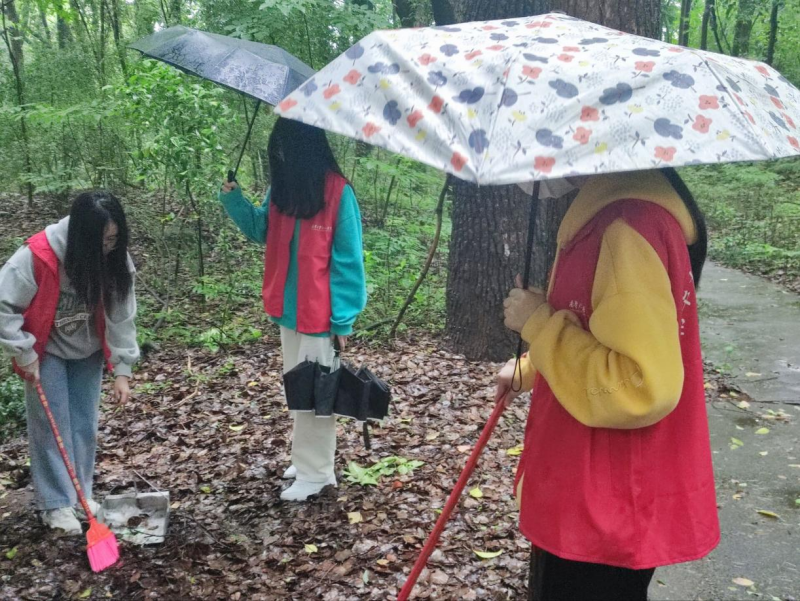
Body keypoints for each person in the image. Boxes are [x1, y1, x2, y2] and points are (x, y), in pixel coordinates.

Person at [497, 169, 719, 600]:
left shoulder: (627, 226)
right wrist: (530, 365)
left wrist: (538, 323)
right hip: (590, 489)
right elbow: (598, 327)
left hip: (607, 499)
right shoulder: (606, 216)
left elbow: (639, 385)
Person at [219, 117, 367, 502]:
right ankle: (307, 462)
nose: (279, 158)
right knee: (299, 390)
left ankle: (317, 473)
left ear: (305, 150)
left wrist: (343, 320)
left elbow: (349, 261)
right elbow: (261, 229)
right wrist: (234, 199)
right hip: (287, 309)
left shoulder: (338, 193)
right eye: (277, 152)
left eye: (285, 151)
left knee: (316, 396)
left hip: (320, 316)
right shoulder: (282, 188)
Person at [0, 191, 139, 535]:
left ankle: (80, 496)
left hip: (88, 351)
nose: (109, 247)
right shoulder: (38, 255)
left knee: (83, 426)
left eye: (114, 239)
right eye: (103, 240)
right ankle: (56, 503)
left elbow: (121, 315)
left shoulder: (116, 259)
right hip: (45, 351)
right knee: (51, 426)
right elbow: (4, 305)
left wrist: (122, 369)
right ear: (82, 236)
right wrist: (23, 351)